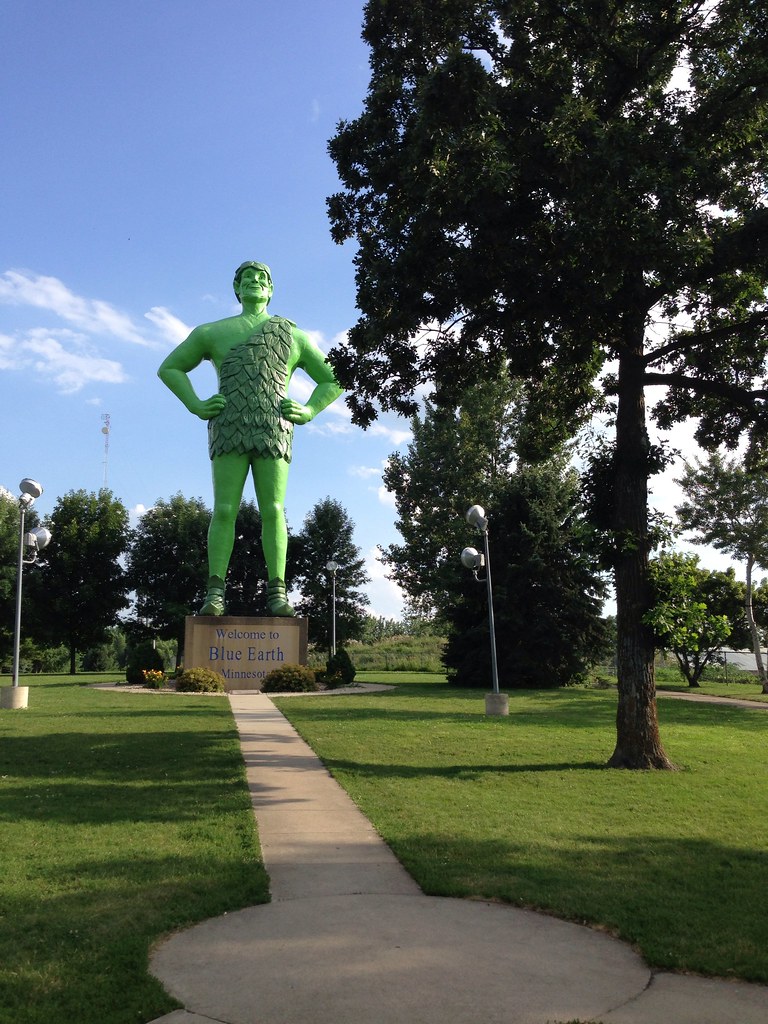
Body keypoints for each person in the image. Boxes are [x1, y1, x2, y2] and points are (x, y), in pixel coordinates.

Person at [158, 261, 343, 616]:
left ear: (271, 289)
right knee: (224, 509)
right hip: (228, 425)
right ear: (236, 288)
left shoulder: (292, 334)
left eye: (263, 279)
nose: (256, 283)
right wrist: (196, 404)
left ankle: (278, 592)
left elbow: (333, 379)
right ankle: (215, 592)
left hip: (274, 427)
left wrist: (309, 410)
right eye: (248, 279)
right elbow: (170, 367)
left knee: (273, 510)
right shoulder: (211, 332)